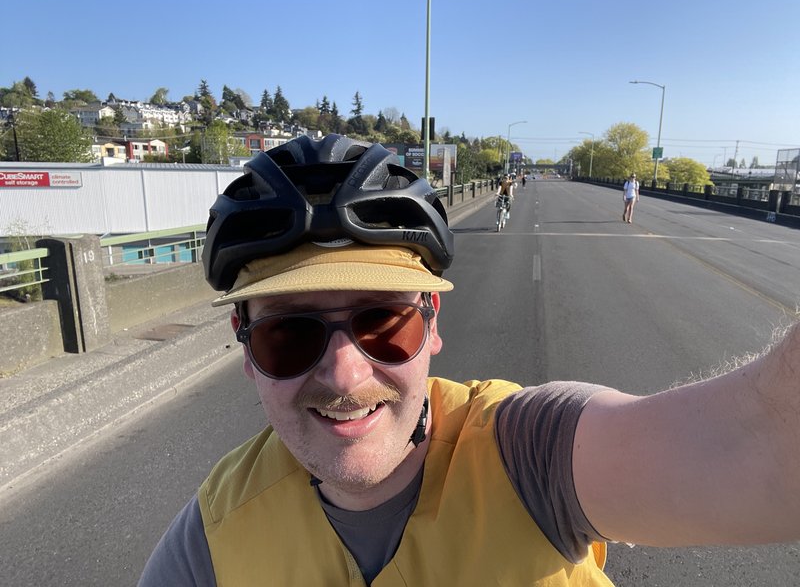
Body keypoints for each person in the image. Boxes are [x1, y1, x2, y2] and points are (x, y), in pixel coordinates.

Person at [139, 134, 800, 586]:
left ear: (432, 324)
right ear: (246, 350)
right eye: (288, 335)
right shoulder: (210, 541)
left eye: (383, 322)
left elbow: (766, 445)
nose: (344, 374)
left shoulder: (527, 454)